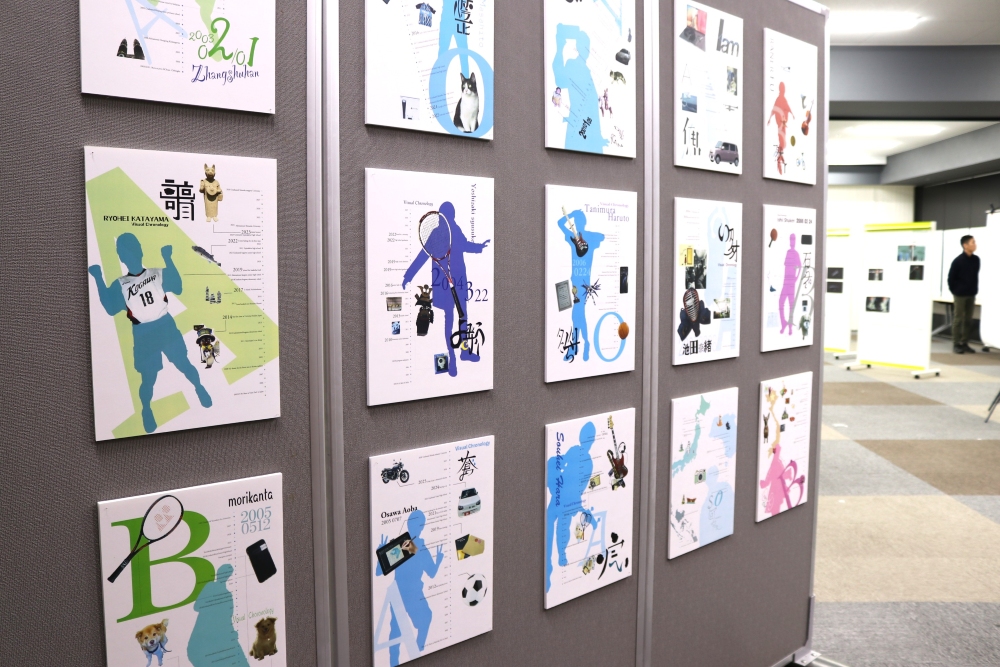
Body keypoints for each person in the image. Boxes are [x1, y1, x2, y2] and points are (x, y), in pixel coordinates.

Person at [948, 234, 981, 354]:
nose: (975, 244)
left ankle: (964, 342)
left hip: (971, 294)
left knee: (968, 320)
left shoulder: (976, 260)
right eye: (972, 242)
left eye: (975, 242)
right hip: (960, 295)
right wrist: (955, 291)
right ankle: (956, 344)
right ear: (965, 245)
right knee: (958, 319)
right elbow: (951, 279)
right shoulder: (958, 261)